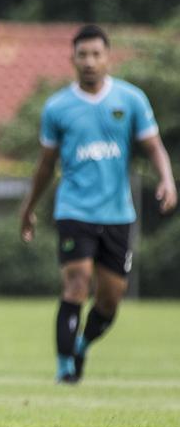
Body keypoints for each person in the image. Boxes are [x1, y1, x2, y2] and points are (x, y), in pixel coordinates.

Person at [19, 24, 176, 383]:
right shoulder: (57, 107)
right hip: (74, 209)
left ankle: (82, 346)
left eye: (96, 54)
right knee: (77, 282)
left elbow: (153, 147)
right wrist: (29, 208)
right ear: (72, 59)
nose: (89, 61)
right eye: (82, 55)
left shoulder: (131, 100)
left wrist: (166, 179)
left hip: (118, 213)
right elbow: (46, 165)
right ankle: (64, 369)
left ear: (108, 58)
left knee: (110, 300)